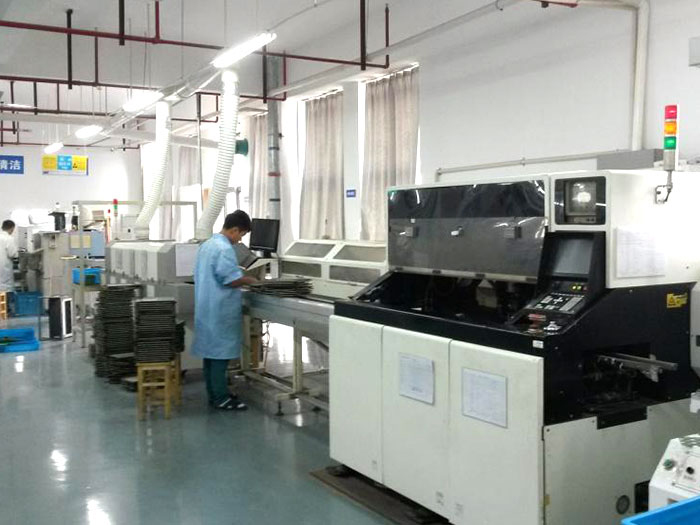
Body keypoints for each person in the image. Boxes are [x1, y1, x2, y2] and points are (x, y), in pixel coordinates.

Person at [192, 211, 258, 411]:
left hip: (207, 307)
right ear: (234, 230)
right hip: (220, 310)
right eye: (241, 235)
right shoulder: (224, 249)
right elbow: (230, 279)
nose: (240, 240)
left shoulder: (207, 245)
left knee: (210, 356)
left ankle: (214, 394)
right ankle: (222, 398)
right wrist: (250, 280)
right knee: (220, 356)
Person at [0, 220, 18, 293]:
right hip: (4, 269)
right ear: (12, 228)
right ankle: (3, 300)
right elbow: (12, 254)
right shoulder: (8, 238)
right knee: (3, 290)